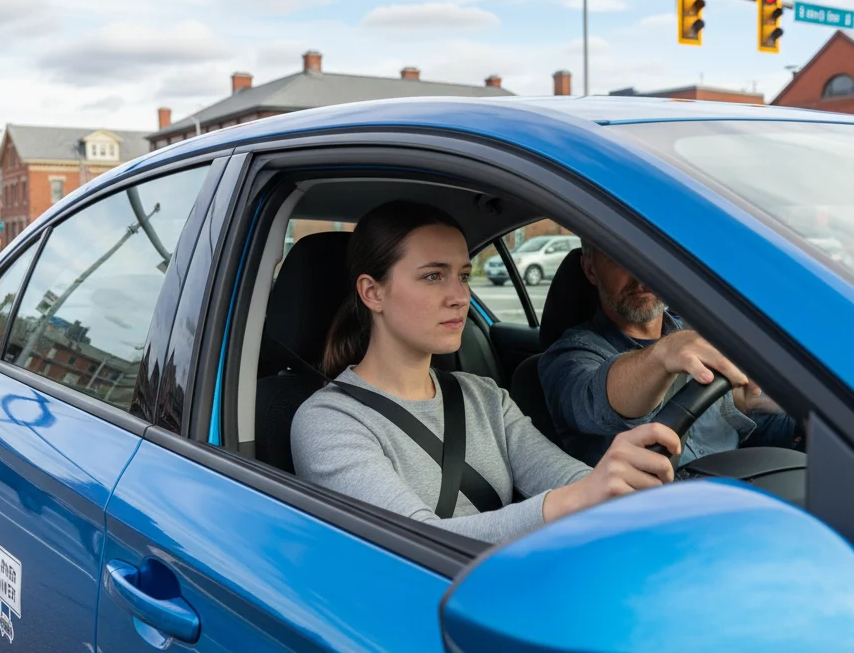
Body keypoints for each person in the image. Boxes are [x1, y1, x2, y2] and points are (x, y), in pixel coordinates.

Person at [290, 201, 681, 545]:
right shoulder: (328, 422)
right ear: (372, 293)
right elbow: (416, 542)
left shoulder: (484, 397)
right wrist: (576, 498)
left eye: (462, 275)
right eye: (432, 276)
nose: (461, 296)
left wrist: (622, 486)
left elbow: (567, 479)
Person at [538, 240, 798, 468]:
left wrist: (801, 421)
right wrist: (663, 354)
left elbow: (750, 438)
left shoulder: (700, 336)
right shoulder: (568, 355)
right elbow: (596, 403)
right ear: (591, 269)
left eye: (650, 255)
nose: (640, 275)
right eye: (618, 257)